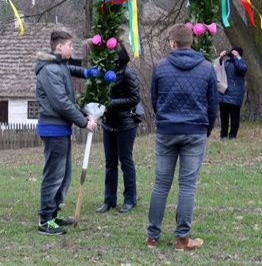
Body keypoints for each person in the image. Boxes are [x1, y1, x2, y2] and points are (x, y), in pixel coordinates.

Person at [146, 23, 217, 251]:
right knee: (187, 186)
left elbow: (154, 100)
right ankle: (182, 239)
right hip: (195, 131)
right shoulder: (207, 68)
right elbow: (212, 104)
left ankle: (153, 237)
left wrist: (165, 120)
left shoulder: (160, 66)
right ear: (191, 42)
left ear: (173, 43)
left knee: (161, 184)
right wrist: (205, 130)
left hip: (167, 130)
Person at [35, 30, 97, 235]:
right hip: (53, 128)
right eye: (70, 44)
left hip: (61, 128)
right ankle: (45, 221)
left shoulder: (59, 67)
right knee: (54, 174)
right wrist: (82, 122)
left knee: (63, 174)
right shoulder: (51, 70)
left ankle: (53, 214)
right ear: (59, 47)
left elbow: (66, 101)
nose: (73, 48)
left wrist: (82, 115)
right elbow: (60, 102)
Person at [96, 43, 141, 214]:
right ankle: (109, 200)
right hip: (109, 123)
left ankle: (130, 199)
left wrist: (110, 104)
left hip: (125, 123)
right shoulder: (105, 72)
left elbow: (134, 98)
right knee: (110, 163)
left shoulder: (128, 73)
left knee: (126, 161)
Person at [218, 47, 248, 140]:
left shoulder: (242, 62)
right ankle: (223, 135)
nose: (233, 54)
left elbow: (241, 68)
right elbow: (217, 70)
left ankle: (232, 135)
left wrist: (234, 58)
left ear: (239, 54)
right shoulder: (226, 63)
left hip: (236, 93)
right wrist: (220, 58)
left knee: (234, 117)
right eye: (232, 52)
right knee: (224, 116)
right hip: (224, 92)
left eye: (235, 53)